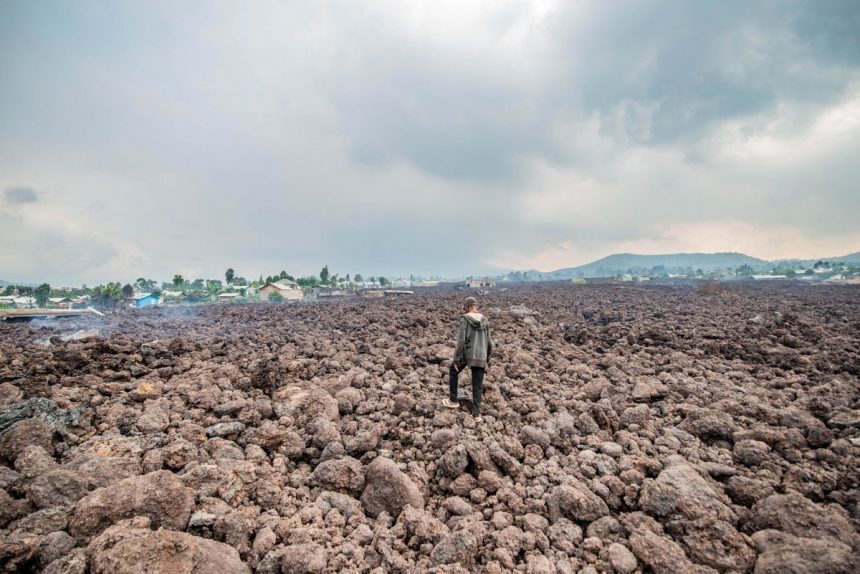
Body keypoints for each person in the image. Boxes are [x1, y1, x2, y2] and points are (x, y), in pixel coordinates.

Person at [444, 296, 493, 420]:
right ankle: (476, 414)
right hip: (481, 356)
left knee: (453, 370)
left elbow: (461, 340)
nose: (464, 310)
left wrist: (456, 359)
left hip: (468, 354)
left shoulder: (465, 319)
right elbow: (489, 342)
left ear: (468, 307)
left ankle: (453, 400)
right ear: (475, 306)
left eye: (465, 308)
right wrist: (487, 358)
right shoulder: (485, 320)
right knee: (477, 385)